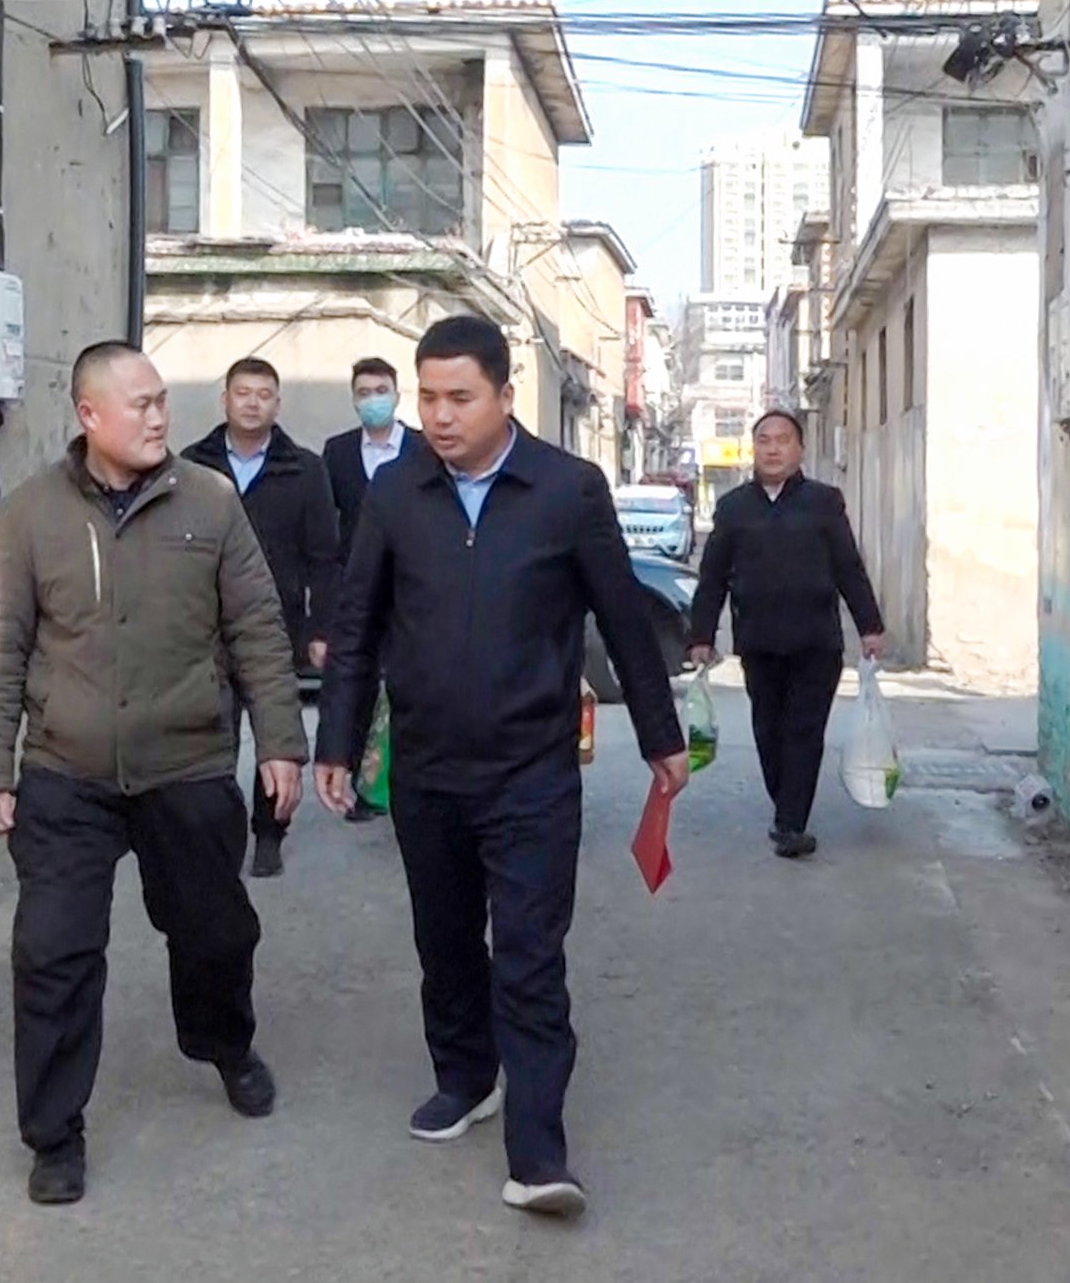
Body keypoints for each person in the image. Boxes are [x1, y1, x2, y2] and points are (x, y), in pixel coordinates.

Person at [313, 315, 690, 1219]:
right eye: (427, 398)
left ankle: (538, 1150)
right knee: (444, 943)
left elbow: (622, 619)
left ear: (505, 396)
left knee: (528, 955)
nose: (439, 417)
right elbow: (358, 626)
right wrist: (337, 742)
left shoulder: (566, 490)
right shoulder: (398, 493)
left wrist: (661, 734)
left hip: (532, 772)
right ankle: (465, 1075)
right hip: (427, 770)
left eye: (460, 397)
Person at [0, 340, 309, 1207]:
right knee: (53, 951)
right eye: (141, 403)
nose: (160, 416)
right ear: (90, 415)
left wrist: (279, 741)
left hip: (185, 761)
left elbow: (258, 627)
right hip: (65, 770)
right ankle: (54, 1133)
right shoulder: (29, 513)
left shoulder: (211, 502)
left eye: (162, 400)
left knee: (215, 932)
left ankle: (225, 1042)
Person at [687, 408, 885, 859]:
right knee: (768, 730)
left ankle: (791, 823)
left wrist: (869, 626)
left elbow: (848, 567)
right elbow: (713, 577)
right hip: (759, 642)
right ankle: (786, 807)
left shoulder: (824, 502)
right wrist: (701, 636)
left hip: (817, 642)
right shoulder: (734, 508)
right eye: (764, 440)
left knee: (804, 730)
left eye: (782, 440)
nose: (773, 449)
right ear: (753, 449)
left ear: (800, 449)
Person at [182, 357, 340, 878]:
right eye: (243, 393)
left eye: (263, 394)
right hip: (204, 627)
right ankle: (218, 836)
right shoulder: (192, 465)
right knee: (212, 739)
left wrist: (321, 628)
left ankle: (269, 834)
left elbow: (324, 557)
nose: (252, 403)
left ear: (277, 403)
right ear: (224, 399)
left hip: (276, 625)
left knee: (276, 732)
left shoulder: (305, 470)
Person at [320, 357, 424, 825]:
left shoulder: (421, 449)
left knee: (407, 684)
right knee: (357, 684)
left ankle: (406, 781)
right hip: (357, 585)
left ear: (397, 395)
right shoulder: (338, 452)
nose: (373, 400)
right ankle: (361, 785)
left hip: (409, 584)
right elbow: (329, 525)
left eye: (381, 391)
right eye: (363, 393)